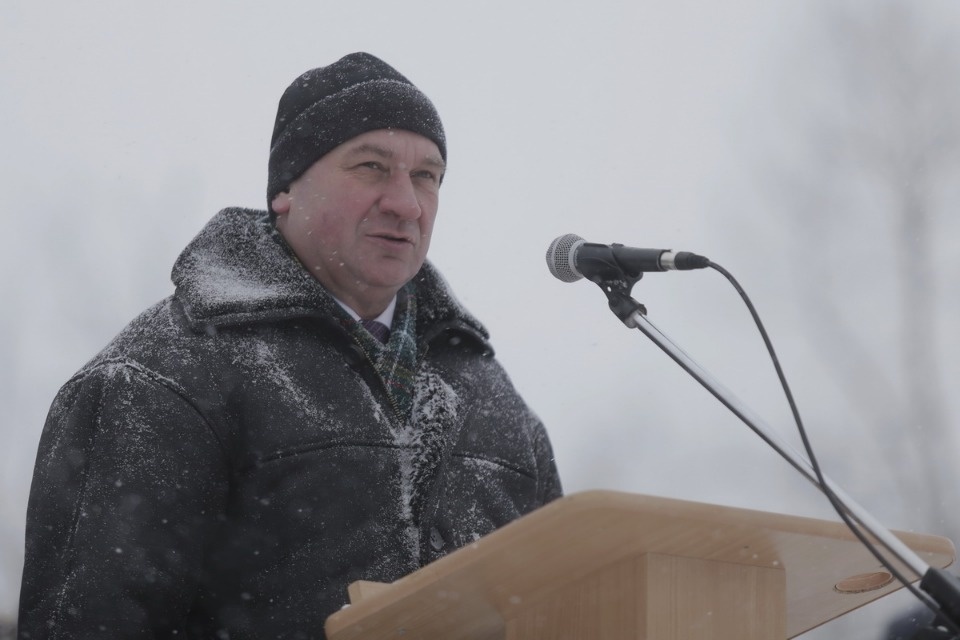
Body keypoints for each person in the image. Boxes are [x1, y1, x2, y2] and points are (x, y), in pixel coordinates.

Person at [18, 52, 562, 639]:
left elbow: (567, 605)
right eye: (372, 167)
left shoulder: (492, 398)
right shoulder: (160, 377)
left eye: (426, 176)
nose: (406, 203)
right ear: (286, 191)